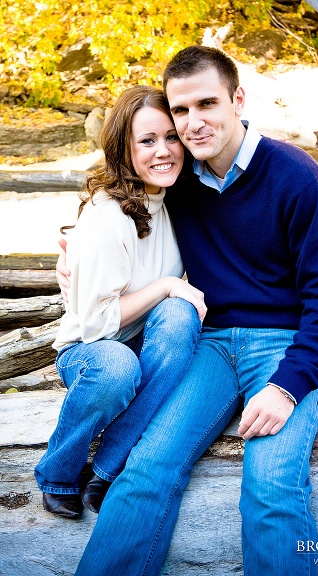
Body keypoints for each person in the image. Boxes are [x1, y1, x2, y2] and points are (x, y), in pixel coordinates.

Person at [59, 46, 318, 575]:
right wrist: (73, 252)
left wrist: (288, 386)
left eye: (206, 104)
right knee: (146, 468)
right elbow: (116, 206)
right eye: (180, 111)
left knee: (270, 486)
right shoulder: (177, 179)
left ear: (238, 100)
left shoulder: (298, 178)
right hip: (213, 345)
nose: (192, 124)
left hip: (287, 348)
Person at [35, 86, 205, 520]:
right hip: (90, 351)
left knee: (178, 315)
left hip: (142, 337)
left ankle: (107, 468)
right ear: (122, 148)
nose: (164, 151)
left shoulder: (175, 196)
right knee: (117, 366)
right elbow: (97, 326)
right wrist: (168, 283)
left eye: (171, 137)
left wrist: (173, 292)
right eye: (147, 141)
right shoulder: (109, 215)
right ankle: (57, 473)